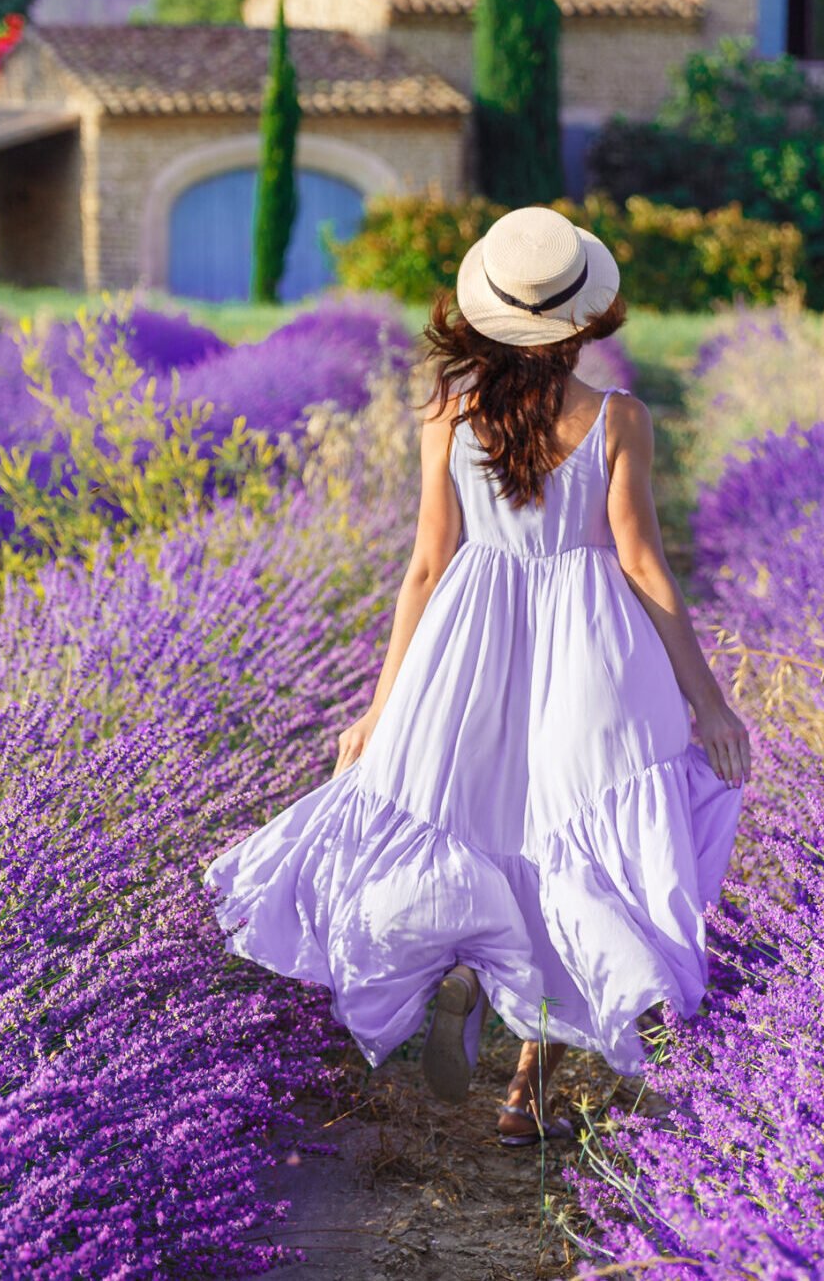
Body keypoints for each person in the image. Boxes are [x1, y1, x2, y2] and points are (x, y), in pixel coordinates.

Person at [204, 206, 750, 1145]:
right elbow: (645, 565)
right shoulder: (617, 418)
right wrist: (708, 699)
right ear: (583, 318)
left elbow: (424, 565)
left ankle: (462, 965)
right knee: (578, 841)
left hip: (469, 637)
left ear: (485, 314)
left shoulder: (449, 414)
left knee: (470, 818)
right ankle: (527, 1086)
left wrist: (380, 711)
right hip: (591, 646)